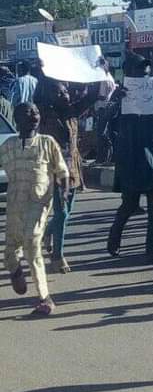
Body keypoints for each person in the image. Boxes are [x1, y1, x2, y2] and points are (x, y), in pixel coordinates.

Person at [0, 103, 69, 315]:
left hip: (38, 203)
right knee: (10, 251)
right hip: (14, 204)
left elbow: (62, 170)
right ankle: (15, 271)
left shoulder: (47, 142)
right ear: (18, 118)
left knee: (32, 243)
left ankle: (45, 297)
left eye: (37, 112)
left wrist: (64, 191)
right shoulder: (9, 145)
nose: (34, 116)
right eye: (28, 112)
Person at [106, 53, 153, 262]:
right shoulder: (119, 99)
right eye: (140, 73)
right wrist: (115, 102)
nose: (144, 78)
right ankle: (113, 240)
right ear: (129, 74)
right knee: (129, 205)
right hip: (130, 159)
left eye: (147, 74)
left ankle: (152, 249)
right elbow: (105, 125)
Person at [36, 78, 94, 273]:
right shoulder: (43, 113)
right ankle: (57, 257)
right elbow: (37, 97)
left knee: (66, 211)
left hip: (73, 170)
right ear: (50, 96)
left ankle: (46, 234)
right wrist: (43, 72)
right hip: (54, 170)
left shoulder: (71, 111)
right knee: (61, 213)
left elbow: (91, 97)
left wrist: (97, 73)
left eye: (65, 92)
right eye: (58, 93)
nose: (64, 95)